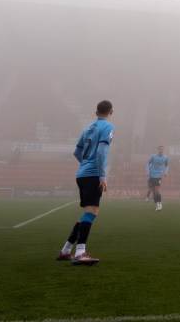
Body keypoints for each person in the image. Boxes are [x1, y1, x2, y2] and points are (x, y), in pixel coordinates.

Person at [57, 100, 113, 265]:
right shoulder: (108, 127)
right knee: (92, 211)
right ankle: (80, 252)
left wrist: (85, 163)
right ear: (111, 112)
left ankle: (66, 250)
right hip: (93, 175)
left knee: (89, 213)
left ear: (96, 112)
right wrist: (102, 174)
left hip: (82, 174)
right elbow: (102, 151)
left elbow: (77, 152)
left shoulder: (88, 128)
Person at [146, 146, 170, 211]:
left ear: (163, 150)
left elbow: (167, 165)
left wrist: (166, 172)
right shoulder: (153, 156)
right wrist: (147, 171)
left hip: (158, 175)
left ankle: (159, 203)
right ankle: (157, 203)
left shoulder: (165, 157)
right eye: (160, 149)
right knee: (153, 190)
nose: (161, 150)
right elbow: (148, 163)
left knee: (156, 190)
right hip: (151, 175)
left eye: (162, 149)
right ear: (158, 150)